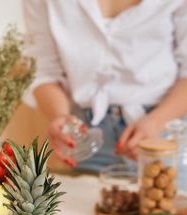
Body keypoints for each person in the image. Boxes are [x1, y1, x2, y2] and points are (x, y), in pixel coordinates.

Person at [22, 0, 187, 173]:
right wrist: (61, 118)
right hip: (87, 138)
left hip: (167, 134)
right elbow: (43, 71)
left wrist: (156, 122)